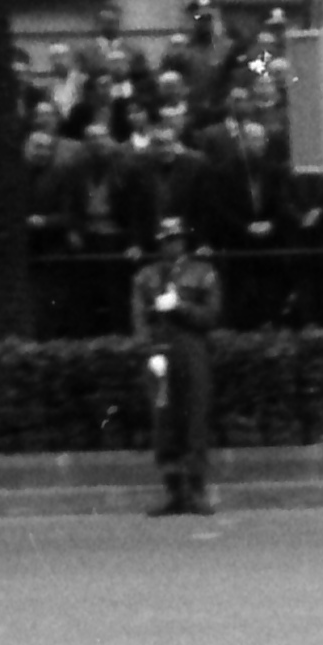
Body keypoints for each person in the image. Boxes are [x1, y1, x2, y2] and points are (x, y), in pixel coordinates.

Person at [131, 216, 225, 515]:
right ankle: (173, 490)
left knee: (195, 417)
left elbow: (210, 316)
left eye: (176, 239)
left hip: (192, 348)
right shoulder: (145, 277)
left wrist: (180, 306)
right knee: (164, 421)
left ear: (185, 241)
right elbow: (140, 320)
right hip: (160, 351)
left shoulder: (203, 272)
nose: (172, 245)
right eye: (166, 240)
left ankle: (195, 489)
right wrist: (149, 351)